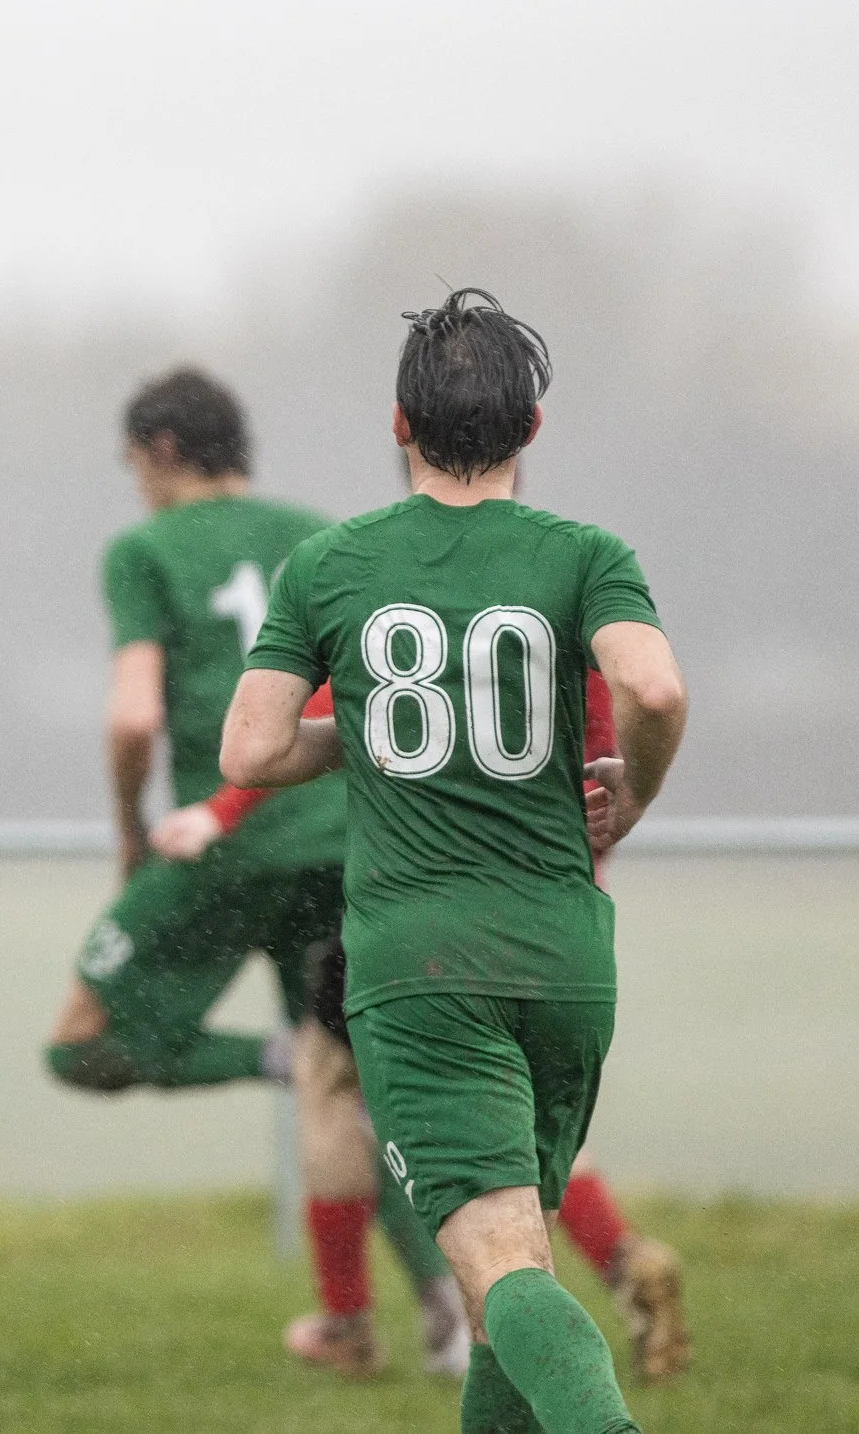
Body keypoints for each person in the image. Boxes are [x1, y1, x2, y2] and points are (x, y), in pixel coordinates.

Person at [222, 289, 687, 1434]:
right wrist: (633, 787)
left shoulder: (331, 565)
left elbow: (252, 745)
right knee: (508, 1274)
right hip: (567, 955)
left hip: (422, 965)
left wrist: (369, 731)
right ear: (531, 429)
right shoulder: (586, 556)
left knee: (499, 1264)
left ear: (398, 425)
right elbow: (655, 687)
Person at [43, 366, 466, 1378]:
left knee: (80, 1041)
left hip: (229, 842)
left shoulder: (142, 550)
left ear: (157, 451)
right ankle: (437, 1310)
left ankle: (265, 1059)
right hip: (348, 838)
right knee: (352, 1088)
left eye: (130, 464)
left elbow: (135, 712)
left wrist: (128, 828)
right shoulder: (320, 534)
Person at [164, 666, 691, 1381]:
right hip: (553, 922)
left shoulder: (414, 601)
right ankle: (623, 1262)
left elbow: (297, 722)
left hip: (422, 910)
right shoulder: (566, 605)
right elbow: (619, 739)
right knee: (526, 1121)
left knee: (330, 1080)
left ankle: (354, 1322)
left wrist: (217, 812)